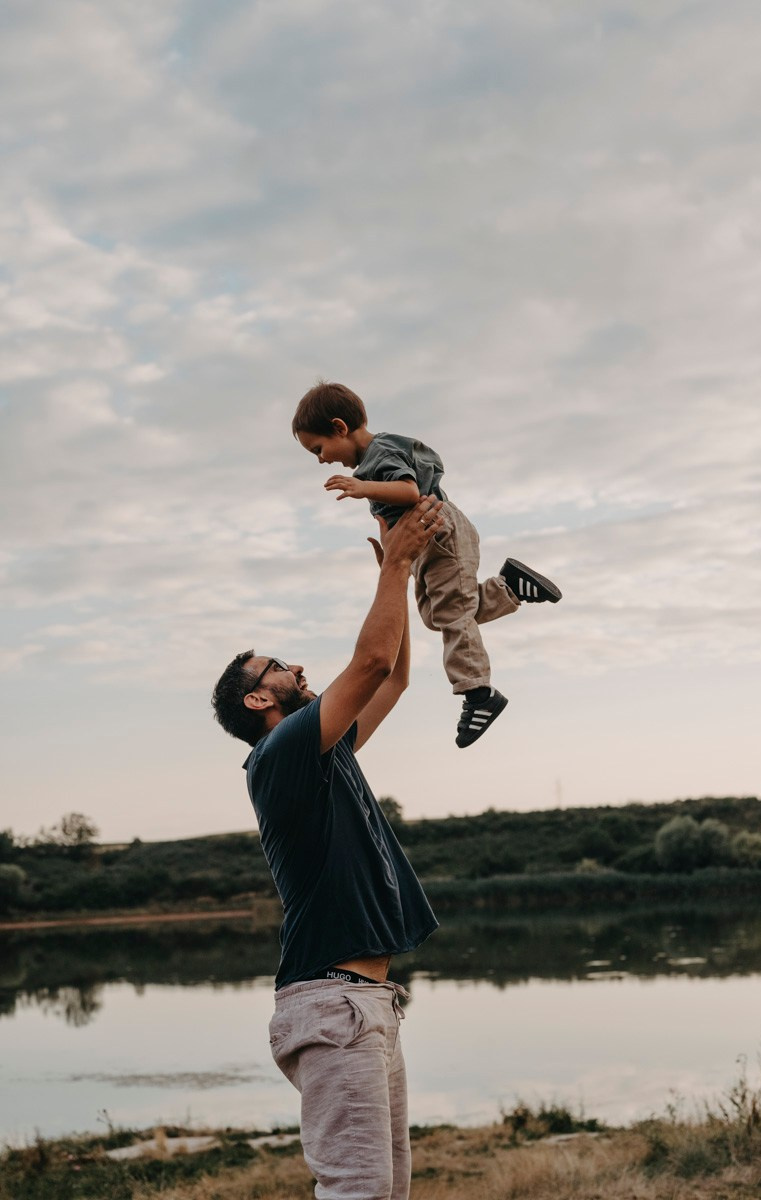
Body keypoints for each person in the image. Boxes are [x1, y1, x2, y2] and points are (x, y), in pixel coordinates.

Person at [211, 495, 444, 1200]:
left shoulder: (323, 751)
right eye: (276, 666)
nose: (292, 666)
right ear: (259, 701)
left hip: (367, 1003)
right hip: (332, 1005)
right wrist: (395, 560)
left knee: (385, 1193)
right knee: (359, 1193)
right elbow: (370, 661)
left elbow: (395, 674)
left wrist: (397, 578)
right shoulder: (282, 752)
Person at [292, 380, 562, 748]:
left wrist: (363, 488)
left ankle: (478, 692)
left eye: (319, 449)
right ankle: (510, 586)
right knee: (437, 615)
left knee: (453, 613)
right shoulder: (375, 457)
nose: (321, 459)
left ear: (340, 428)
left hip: (439, 530)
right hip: (425, 541)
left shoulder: (378, 453)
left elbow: (409, 491)